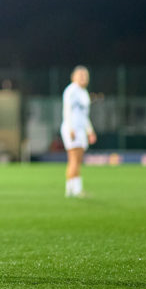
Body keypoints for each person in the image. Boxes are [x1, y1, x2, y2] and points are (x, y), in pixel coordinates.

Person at [60, 65, 96, 198]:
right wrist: (70, 128)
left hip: (81, 130)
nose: (83, 78)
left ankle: (71, 190)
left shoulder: (84, 93)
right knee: (74, 159)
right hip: (73, 129)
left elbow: (84, 115)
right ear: (73, 77)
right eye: (80, 75)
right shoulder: (71, 91)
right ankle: (75, 190)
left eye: (85, 75)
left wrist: (90, 130)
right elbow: (67, 111)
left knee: (77, 160)